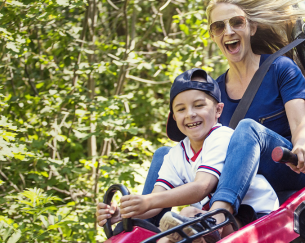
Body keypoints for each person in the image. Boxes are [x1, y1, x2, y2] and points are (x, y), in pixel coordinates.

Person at [140, 0, 305, 236]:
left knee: (247, 129)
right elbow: (203, 148)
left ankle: (217, 217)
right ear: (214, 35)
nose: (228, 31)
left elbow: (300, 125)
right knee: (165, 154)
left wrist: (301, 147)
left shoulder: (280, 69)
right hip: (245, 181)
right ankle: (139, 224)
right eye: (219, 26)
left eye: (236, 22)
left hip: (293, 166)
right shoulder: (214, 92)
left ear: (251, 27)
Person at [96, 68, 279, 242]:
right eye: (181, 109)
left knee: (186, 217)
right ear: (174, 117)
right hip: (211, 220)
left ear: (218, 110)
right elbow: (156, 202)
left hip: (255, 215)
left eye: (199, 105)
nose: (190, 114)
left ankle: (200, 233)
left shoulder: (222, 136)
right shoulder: (175, 155)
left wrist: (148, 201)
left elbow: (202, 186)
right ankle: (198, 236)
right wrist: (124, 212)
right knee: (179, 224)